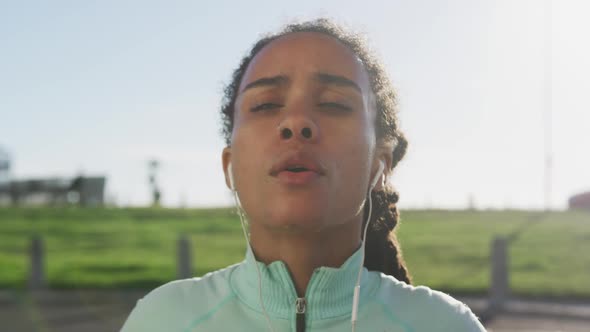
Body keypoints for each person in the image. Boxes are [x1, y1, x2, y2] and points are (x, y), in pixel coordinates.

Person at [121, 18, 486, 332]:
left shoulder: (446, 325)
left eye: (333, 103)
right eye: (264, 105)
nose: (296, 122)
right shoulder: (162, 320)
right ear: (229, 166)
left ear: (380, 165)